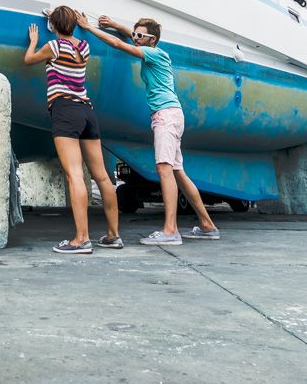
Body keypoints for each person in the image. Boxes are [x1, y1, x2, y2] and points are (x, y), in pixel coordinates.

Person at [77, 13, 220, 245]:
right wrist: (115, 24)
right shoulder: (155, 51)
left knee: (164, 170)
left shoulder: (153, 53)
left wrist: (87, 27)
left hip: (165, 117)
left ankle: (170, 231)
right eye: (134, 33)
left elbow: (117, 44)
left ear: (152, 40)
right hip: (172, 115)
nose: (135, 37)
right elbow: (129, 37)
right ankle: (207, 225)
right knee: (178, 172)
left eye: (140, 35)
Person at [23, 5, 122, 254]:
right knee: (101, 176)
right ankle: (113, 236)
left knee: (74, 175)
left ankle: (81, 239)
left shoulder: (53, 47)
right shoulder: (84, 47)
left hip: (65, 110)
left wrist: (34, 40)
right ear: (75, 25)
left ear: (54, 26)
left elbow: (28, 60)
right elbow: (69, 36)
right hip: (87, 111)